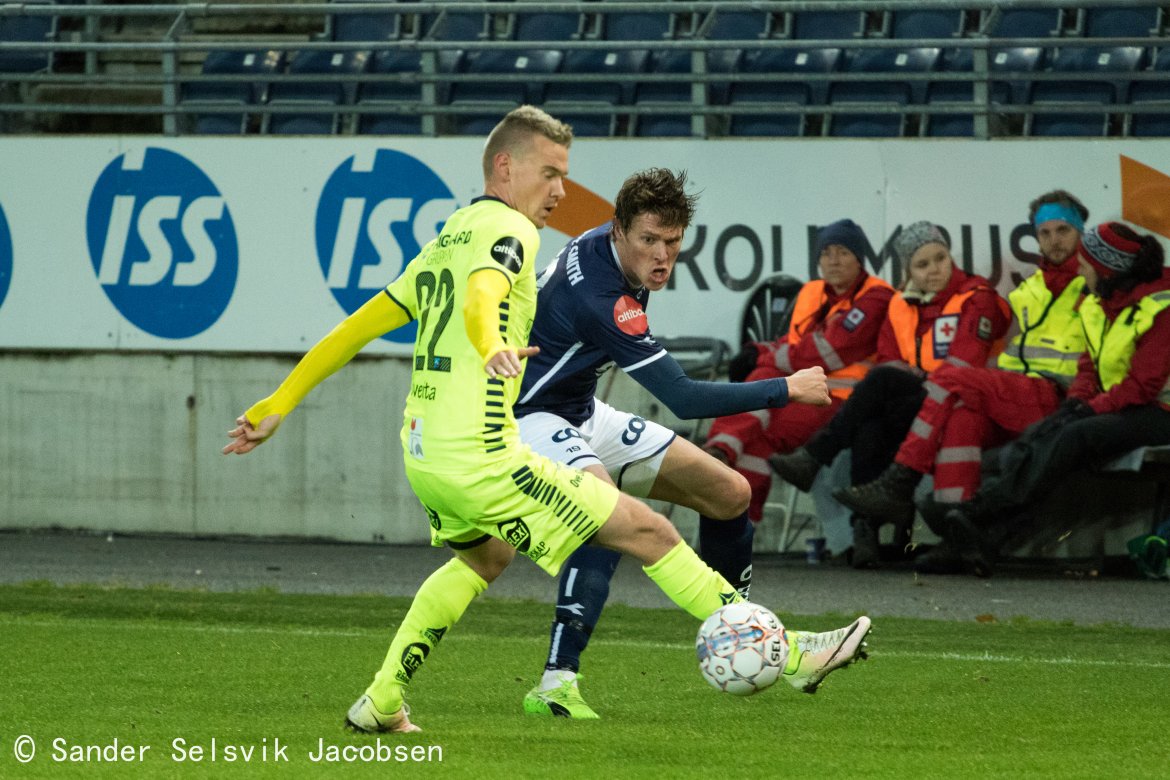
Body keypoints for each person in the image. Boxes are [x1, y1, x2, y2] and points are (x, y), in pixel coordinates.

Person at [222, 107, 871, 733]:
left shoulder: (450, 235)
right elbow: (485, 293)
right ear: (505, 168)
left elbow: (357, 325)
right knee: (645, 530)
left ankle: (381, 700)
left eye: (566, 174)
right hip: (486, 454)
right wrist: (488, 341)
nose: (563, 190)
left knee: (484, 559)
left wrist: (279, 402)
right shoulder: (511, 232)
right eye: (551, 173)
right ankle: (786, 654)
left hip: (426, 453)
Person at [514, 168, 853, 719]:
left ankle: (748, 638)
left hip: (580, 411)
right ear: (619, 231)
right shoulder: (605, 299)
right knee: (608, 514)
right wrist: (786, 388)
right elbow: (684, 399)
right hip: (531, 417)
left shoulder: (609, 246)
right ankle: (556, 682)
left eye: (672, 242)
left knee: (730, 493)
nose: (662, 256)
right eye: (649, 240)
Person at [828, 192, 1090, 573]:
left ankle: (897, 482)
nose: (1054, 240)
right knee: (961, 417)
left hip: (1060, 394)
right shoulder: (1028, 291)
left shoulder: (1092, 285)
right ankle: (959, 537)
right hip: (1013, 390)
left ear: (1082, 231)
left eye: (1063, 230)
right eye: (1045, 232)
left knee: (950, 381)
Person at [773, 221, 1011, 568]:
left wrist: (916, 375)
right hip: (919, 403)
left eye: (940, 259)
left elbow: (964, 366)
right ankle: (865, 528)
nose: (933, 270)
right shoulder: (901, 305)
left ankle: (817, 455)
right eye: (922, 264)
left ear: (951, 258)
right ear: (908, 270)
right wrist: (910, 376)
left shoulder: (977, 298)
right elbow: (889, 358)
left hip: (962, 403)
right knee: (872, 422)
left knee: (881, 385)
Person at [939, 221, 1170, 576]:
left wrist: (1089, 409)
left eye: (1086, 265)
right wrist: (1076, 402)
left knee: (1074, 436)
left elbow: (1143, 386)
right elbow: (1089, 367)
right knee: (1048, 432)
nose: (1080, 270)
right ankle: (986, 536)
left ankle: (980, 512)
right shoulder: (1100, 303)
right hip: (1122, 406)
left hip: (1159, 412)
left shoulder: (1161, 306)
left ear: (1106, 270)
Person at [703, 219, 896, 524]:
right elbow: (794, 343)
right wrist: (763, 352)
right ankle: (740, 524)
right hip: (803, 392)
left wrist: (768, 359)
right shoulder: (816, 294)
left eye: (843, 252)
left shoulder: (877, 298)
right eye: (826, 253)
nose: (833, 260)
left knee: (763, 382)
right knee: (758, 436)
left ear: (859, 259)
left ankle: (719, 447)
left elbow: (828, 352)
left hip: (841, 400)